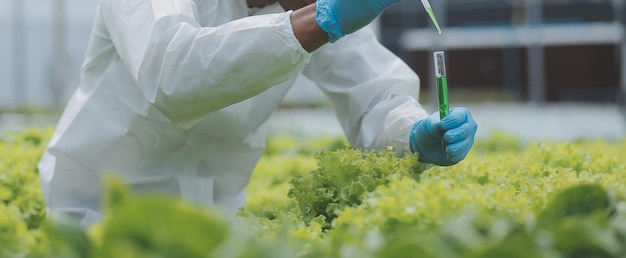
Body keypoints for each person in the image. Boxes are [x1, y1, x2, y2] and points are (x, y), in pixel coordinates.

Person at [38, 0, 478, 228]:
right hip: (97, 213)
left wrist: (413, 133)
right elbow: (173, 72)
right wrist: (321, 22)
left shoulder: (305, 8)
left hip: (212, 221)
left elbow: (375, 95)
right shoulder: (313, 16)